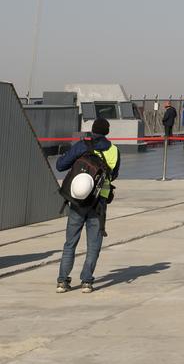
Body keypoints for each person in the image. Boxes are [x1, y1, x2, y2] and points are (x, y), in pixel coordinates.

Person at [55, 117, 119, 292]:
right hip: (98, 203)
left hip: (77, 201)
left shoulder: (82, 146)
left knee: (70, 243)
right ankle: (87, 281)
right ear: (107, 132)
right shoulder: (114, 150)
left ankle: (62, 281)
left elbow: (60, 165)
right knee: (93, 244)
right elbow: (113, 176)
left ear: (92, 130)